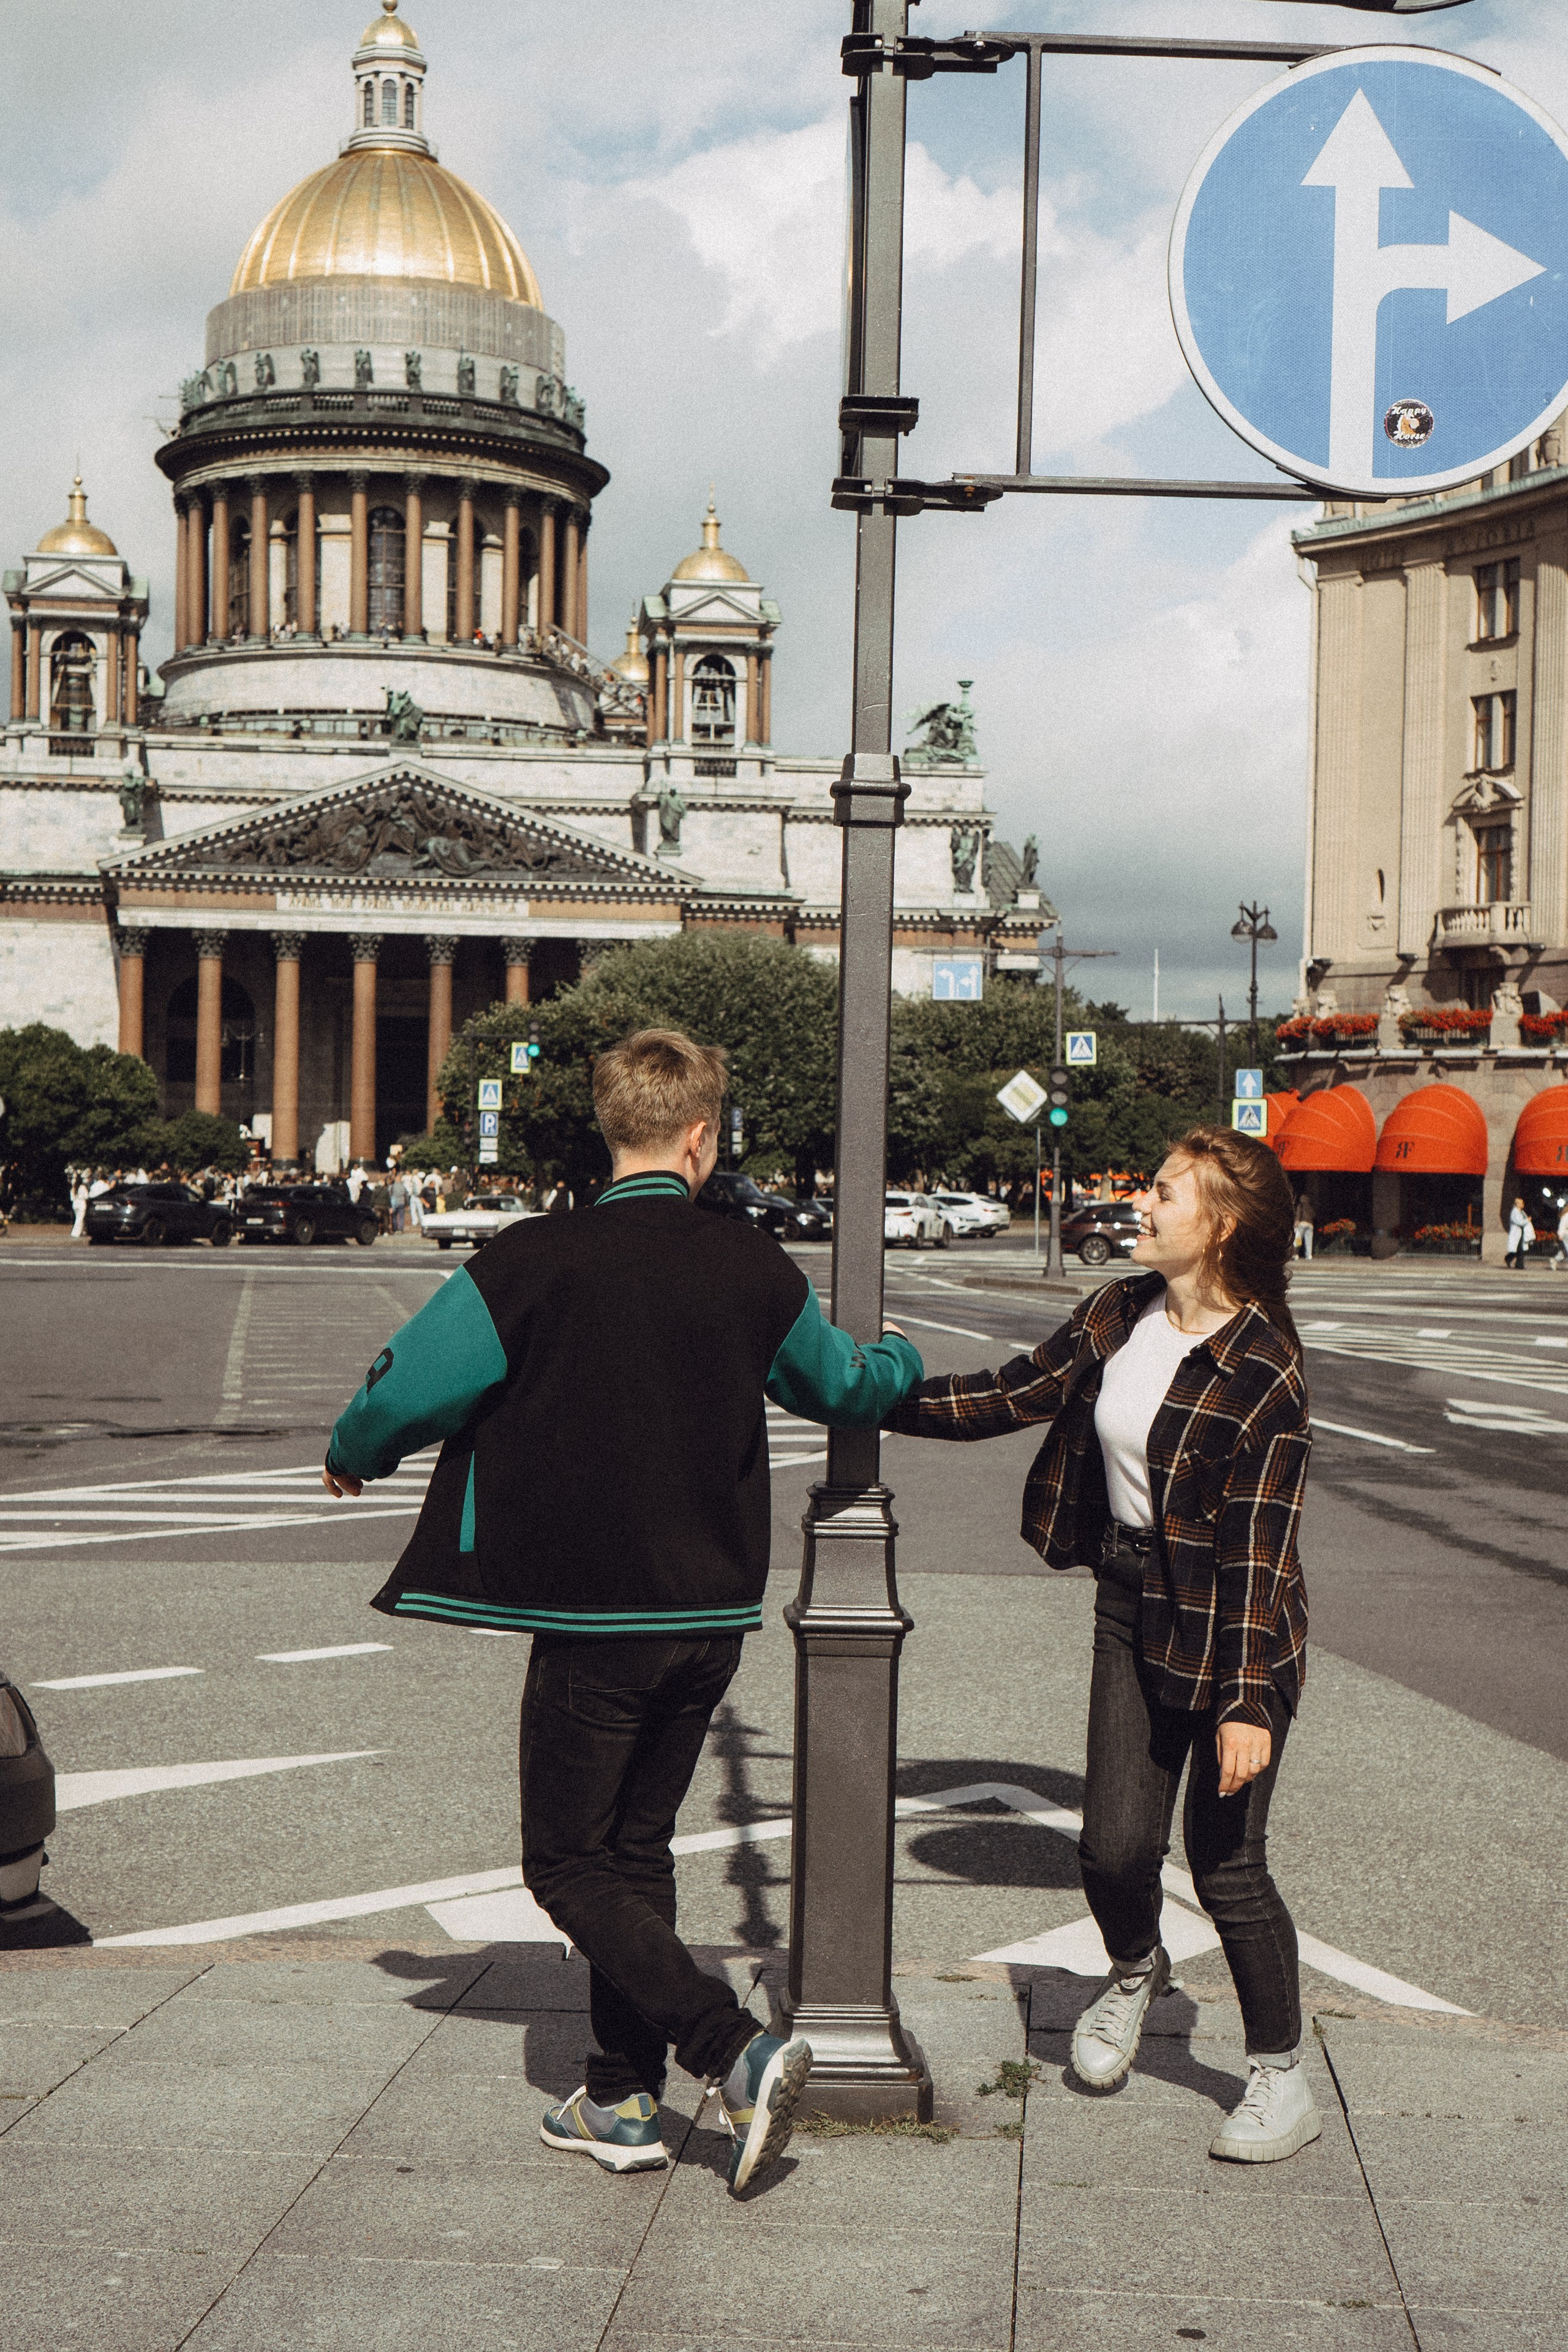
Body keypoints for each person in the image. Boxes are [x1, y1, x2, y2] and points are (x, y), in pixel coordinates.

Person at [322, 1029, 924, 2192]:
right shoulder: (750, 1263)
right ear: (702, 1137)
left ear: (612, 1130)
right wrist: (896, 1360)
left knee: (565, 1864)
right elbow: (842, 1382)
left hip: (595, 1615)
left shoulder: (535, 1257)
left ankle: (731, 2052)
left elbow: (409, 1386)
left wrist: (356, 1452)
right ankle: (619, 2098)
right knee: (633, 1854)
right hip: (710, 1614)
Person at [889, 1126, 1318, 2163]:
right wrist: (876, 1397)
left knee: (1228, 1866)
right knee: (1113, 1849)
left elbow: (1258, 1555)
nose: (1141, 1204)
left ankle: (1279, 2077)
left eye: (1164, 1193)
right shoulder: (1121, 1311)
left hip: (1235, 1628)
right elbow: (1011, 1394)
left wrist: (1246, 1701)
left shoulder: (1263, 1371)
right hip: (1130, 1601)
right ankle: (1135, 1971)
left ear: (1220, 1224)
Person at [1506, 1196, 1534, 1269]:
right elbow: (1519, 1222)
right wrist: (1527, 1220)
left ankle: (1517, 1264)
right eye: (1521, 1203)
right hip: (1516, 1233)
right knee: (1519, 1249)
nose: (1523, 1204)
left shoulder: (1521, 1212)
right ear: (1517, 1204)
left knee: (1519, 1250)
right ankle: (1514, 1262)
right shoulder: (1515, 1212)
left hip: (1521, 1233)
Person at [1292, 1193, 1314, 1262]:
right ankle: (1309, 1255)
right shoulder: (1311, 1206)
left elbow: (1299, 1212)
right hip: (1310, 1224)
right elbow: (1314, 1215)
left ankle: (1295, 1254)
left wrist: (1297, 1221)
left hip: (1302, 1223)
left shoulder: (1300, 1205)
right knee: (1309, 1241)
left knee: (1298, 1240)